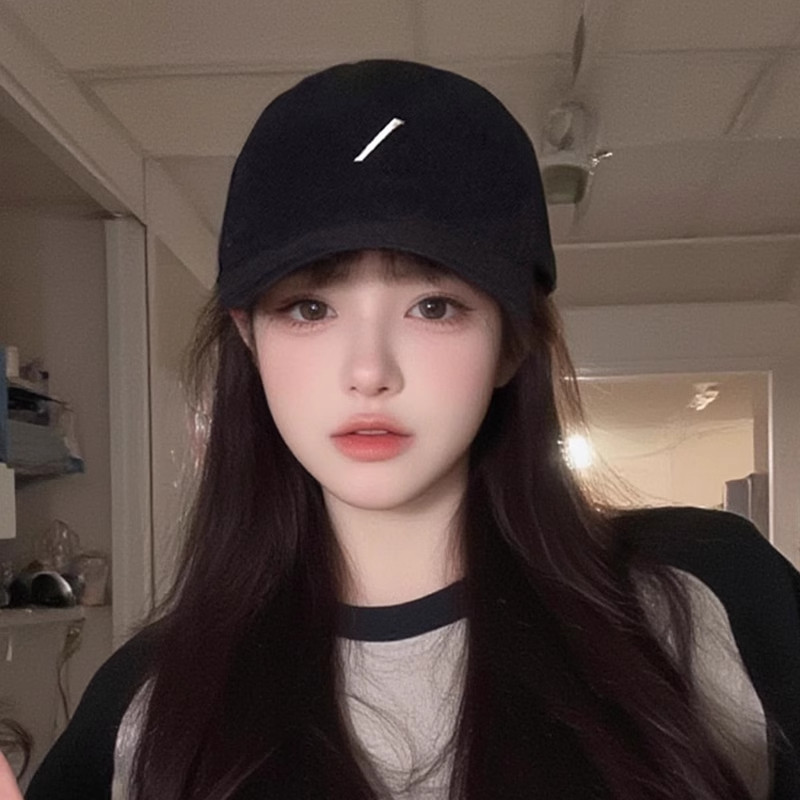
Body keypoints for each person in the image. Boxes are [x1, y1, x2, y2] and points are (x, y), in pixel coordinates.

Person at [22, 59, 800, 799]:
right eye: (309, 308)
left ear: (512, 343)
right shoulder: (149, 702)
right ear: (248, 337)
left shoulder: (711, 596)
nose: (369, 371)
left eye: (434, 306)